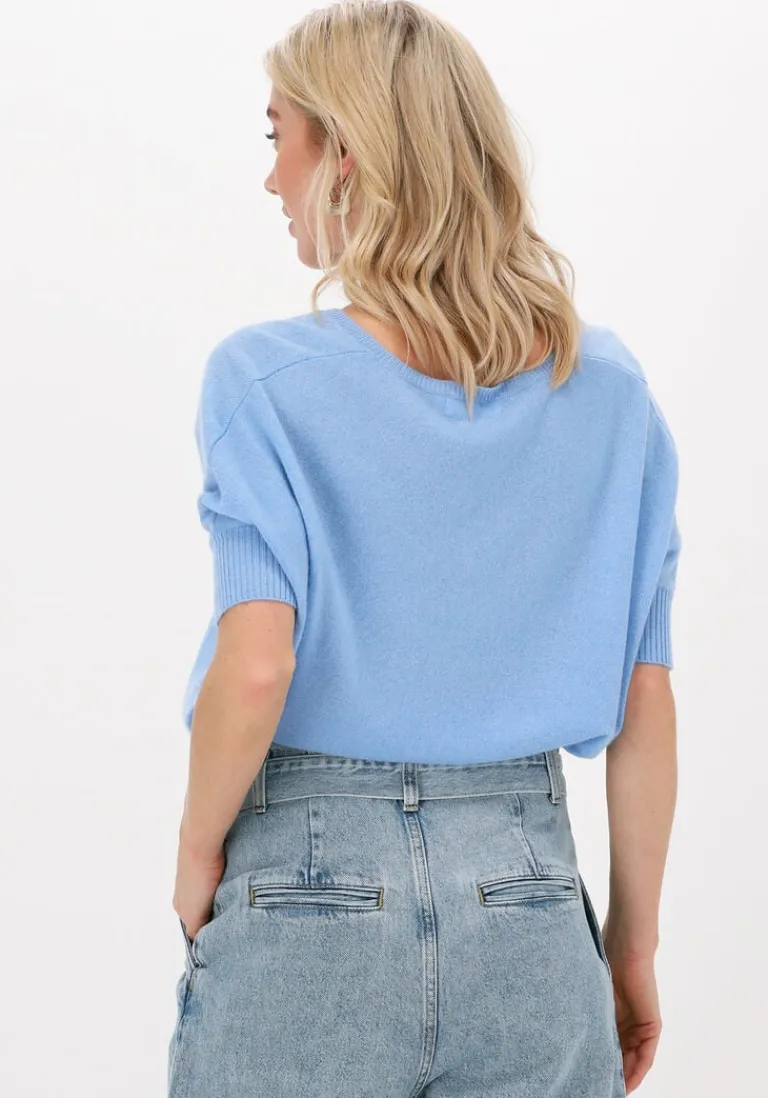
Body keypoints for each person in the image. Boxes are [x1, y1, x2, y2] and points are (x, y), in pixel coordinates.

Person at [169, 3, 681, 1096]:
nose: (271, 178)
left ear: (345, 155)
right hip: (531, 902)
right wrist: (630, 947)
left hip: (304, 887)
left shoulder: (264, 383)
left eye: (279, 137)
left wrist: (197, 853)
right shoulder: (611, 396)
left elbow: (256, 667)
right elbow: (644, 701)